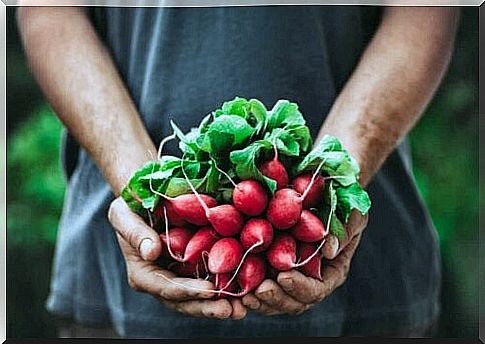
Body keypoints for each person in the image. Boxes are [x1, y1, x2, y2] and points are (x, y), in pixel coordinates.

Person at [17, 4, 458, 338]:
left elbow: (427, 12)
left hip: (369, 283)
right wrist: (143, 188)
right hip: (111, 284)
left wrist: (331, 186)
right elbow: (49, 12)